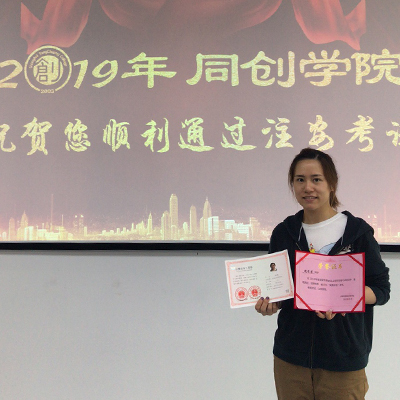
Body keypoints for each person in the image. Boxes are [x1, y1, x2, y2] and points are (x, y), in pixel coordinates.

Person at [255, 148, 390, 400]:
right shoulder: (284, 233)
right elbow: (279, 289)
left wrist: (345, 298)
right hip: (291, 359)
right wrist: (271, 304)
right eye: (300, 180)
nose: (308, 187)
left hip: (344, 359)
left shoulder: (358, 233)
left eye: (316, 179)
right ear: (293, 185)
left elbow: (381, 289)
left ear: (331, 184)